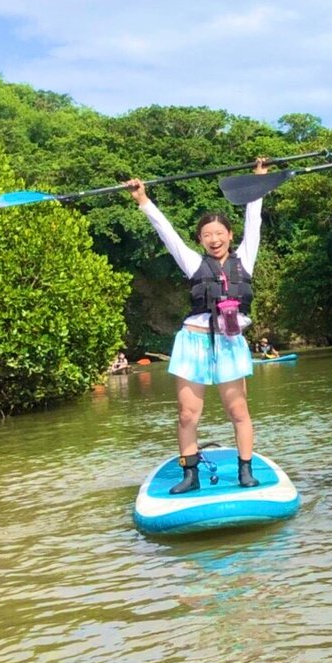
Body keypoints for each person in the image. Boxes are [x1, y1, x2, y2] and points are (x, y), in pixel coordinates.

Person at [126, 160, 270, 493]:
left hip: (231, 344)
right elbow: (168, 234)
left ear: (230, 236)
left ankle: (245, 472)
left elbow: (255, 220)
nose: (214, 239)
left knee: (239, 410)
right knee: (188, 414)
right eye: (207, 235)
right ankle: (190, 476)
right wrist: (143, 200)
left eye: (220, 233)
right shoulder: (193, 262)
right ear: (201, 240)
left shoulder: (244, 258)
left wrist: (257, 182)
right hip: (194, 343)